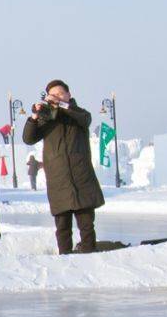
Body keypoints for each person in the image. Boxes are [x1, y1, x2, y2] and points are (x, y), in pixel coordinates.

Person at [22, 79, 105, 253]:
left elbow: (85, 119)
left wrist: (62, 106)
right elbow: (28, 138)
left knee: (87, 226)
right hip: (58, 180)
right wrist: (35, 116)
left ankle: (90, 258)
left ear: (69, 94)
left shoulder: (78, 114)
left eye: (61, 93)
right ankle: (64, 262)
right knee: (62, 228)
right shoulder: (47, 119)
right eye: (53, 95)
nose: (57, 97)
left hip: (81, 177)